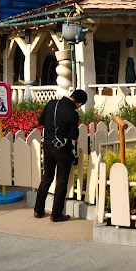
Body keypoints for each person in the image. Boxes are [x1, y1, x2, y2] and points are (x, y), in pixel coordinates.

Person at [33, 89, 87, 222]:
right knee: (61, 181)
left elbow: (41, 121)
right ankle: (56, 214)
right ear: (79, 104)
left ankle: (38, 210)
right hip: (62, 150)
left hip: (47, 145)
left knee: (47, 178)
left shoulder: (51, 104)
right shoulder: (72, 113)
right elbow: (74, 135)